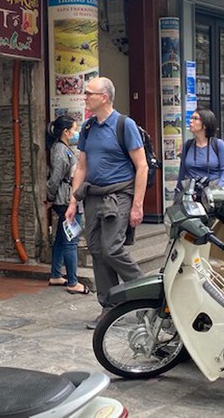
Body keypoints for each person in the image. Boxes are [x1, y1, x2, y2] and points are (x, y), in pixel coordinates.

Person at [65, 76, 146, 329]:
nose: (84, 97)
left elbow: (141, 166)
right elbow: (81, 167)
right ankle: (110, 307)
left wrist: (137, 205)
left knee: (112, 249)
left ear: (105, 97)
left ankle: (148, 296)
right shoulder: (88, 127)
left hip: (118, 196)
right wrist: (72, 202)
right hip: (92, 197)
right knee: (98, 253)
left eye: (89, 93)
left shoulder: (125, 124)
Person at [45, 115, 90, 295]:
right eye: (73, 129)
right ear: (65, 132)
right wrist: (49, 197)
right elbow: (55, 178)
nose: (75, 132)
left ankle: (56, 274)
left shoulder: (63, 148)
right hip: (65, 200)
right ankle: (73, 281)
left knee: (61, 239)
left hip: (65, 198)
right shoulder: (60, 150)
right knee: (71, 241)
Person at [175, 108, 224, 198]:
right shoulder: (188, 145)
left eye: (195, 118)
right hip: (191, 193)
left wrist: (218, 190)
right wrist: (177, 194)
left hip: (213, 193)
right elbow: (182, 172)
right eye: (191, 118)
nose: (190, 121)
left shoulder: (217, 144)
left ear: (205, 125)